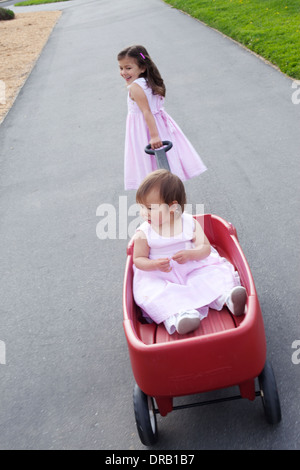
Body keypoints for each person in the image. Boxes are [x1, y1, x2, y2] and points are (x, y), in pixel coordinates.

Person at [132, 170, 247, 335]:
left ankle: (227, 297)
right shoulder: (144, 232)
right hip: (161, 275)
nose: (144, 213)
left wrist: (191, 254)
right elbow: (138, 259)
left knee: (210, 274)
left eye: (150, 208)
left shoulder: (189, 222)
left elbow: (205, 248)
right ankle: (180, 316)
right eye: (141, 207)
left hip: (192, 267)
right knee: (157, 293)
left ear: (172, 207)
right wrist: (154, 264)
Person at [117, 45, 207, 190]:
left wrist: (153, 136)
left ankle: (162, 196)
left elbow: (146, 111)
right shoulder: (148, 82)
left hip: (146, 129)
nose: (123, 72)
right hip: (159, 124)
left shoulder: (135, 87)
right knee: (164, 163)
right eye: (121, 68)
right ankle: (168, 193)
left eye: (128, 68)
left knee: (149, 163)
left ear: (142, 67)